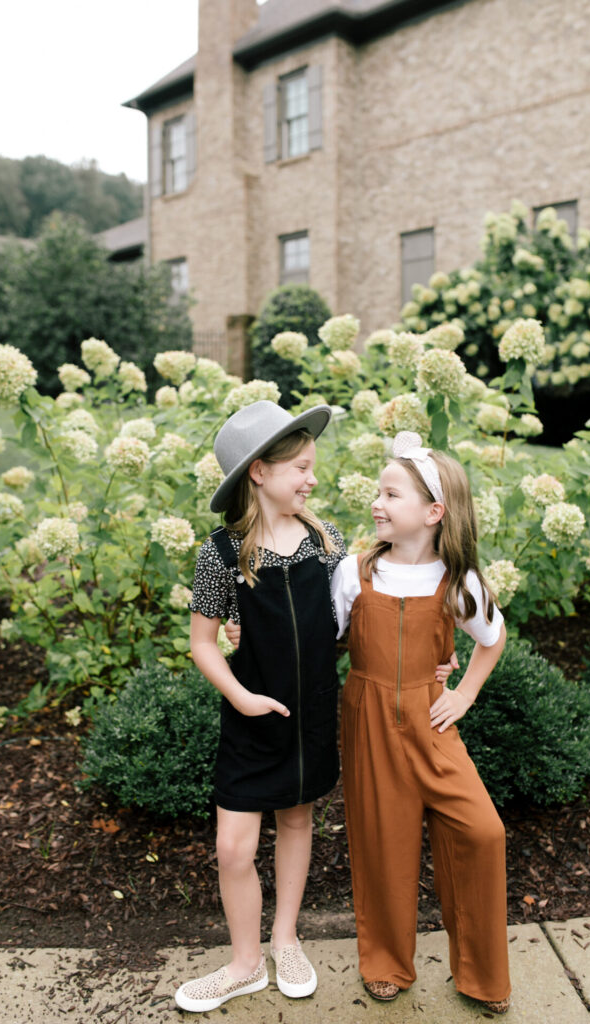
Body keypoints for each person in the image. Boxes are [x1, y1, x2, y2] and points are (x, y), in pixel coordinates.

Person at [174, 400, 346, 1014]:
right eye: (299, 467)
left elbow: (348, 626)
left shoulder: (327, 543)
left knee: (297, 821)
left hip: (310, 714)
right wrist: (241, 696)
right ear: (259, 473)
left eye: (311, 466)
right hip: (250, 716)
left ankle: (285, 939)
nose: (311, 478)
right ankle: (245, 963)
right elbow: (201, 642)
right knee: (234, 848)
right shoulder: (222, 552)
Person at [331, 430, 511, 1014]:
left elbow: (492, 637)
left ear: (433, 513)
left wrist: (463, 694)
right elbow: (325, 640)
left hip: (434, 725)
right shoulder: (353, 574)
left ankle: (482, 975)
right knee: (384, 844)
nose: (377, 503)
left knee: (482, 833)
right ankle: (385, 962)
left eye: (392, 494)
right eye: (378, 493)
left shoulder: (459, 582)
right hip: (370, 724)